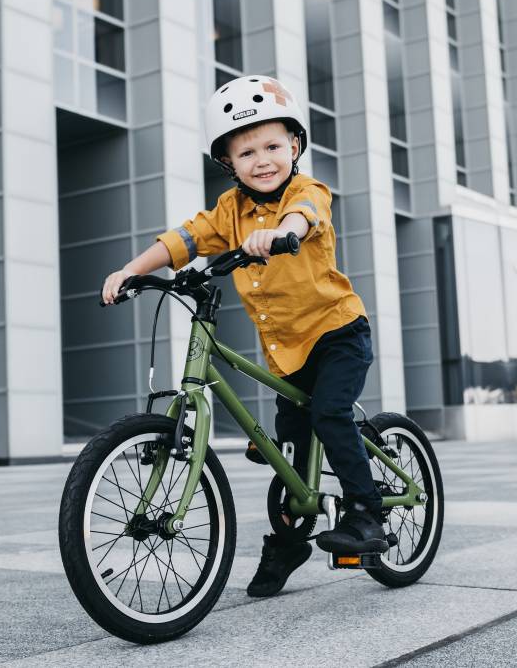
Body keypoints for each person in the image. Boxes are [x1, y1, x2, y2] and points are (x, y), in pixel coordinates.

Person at [101, 75, 387, 598]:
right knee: (287, 455)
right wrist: (130, 269)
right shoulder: (229, 212)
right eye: (247, 151)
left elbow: (307, 217)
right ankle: (289, 539)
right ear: (228, 163)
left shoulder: (305, 192)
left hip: (337, 332)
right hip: (287, 352)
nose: (263, 159)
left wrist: (284, 233)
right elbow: (184, 239)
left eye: (273, 146)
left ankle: (366, 514)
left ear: (295, 145)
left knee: (328, 414)